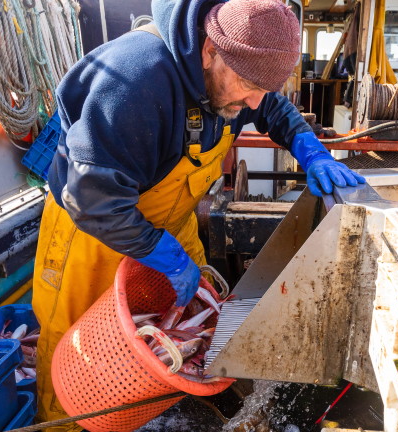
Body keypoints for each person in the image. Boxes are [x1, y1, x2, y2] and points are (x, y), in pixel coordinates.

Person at [31, 0, 365, 428]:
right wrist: (164, 256)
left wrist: (309, 148)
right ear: (209, 51)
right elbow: (91, 198)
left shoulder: (241, 74)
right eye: (247, 86)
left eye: (263, 88)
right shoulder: (134, 81)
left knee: (180, 336)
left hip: (170, 223)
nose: (253, 101)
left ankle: (149, 404)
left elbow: (270, 106)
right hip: (93, 231)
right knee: (77, 353)